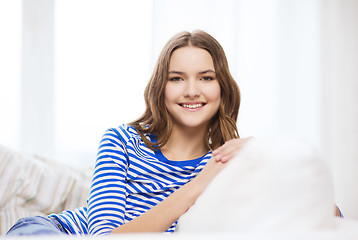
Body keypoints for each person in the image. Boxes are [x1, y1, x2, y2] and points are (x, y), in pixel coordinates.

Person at [6, 30, 249, 236]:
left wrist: (254, 148)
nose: (192, 91)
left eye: (206, 78)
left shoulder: (224, 163)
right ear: (160, 88)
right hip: (55, 232)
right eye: (176, 79)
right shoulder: (121, 140)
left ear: (223, 88)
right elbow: (104, 237)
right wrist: (198, 185)